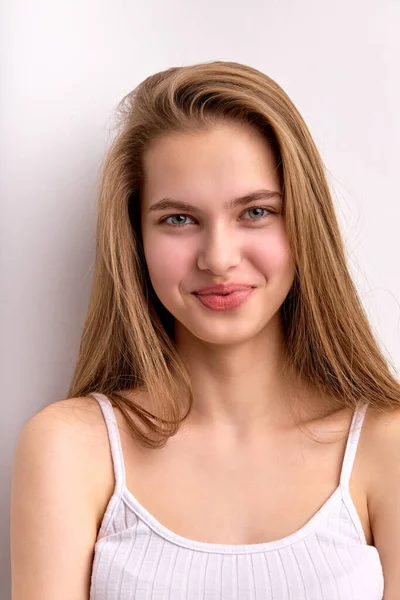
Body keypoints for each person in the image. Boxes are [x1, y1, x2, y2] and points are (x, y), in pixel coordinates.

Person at [10, 60, 400, 599]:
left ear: (304, 222)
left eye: (256, 212)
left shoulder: (387, 446)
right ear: (135, 240)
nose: (218, 258)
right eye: (178, 219)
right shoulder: (73, 449)